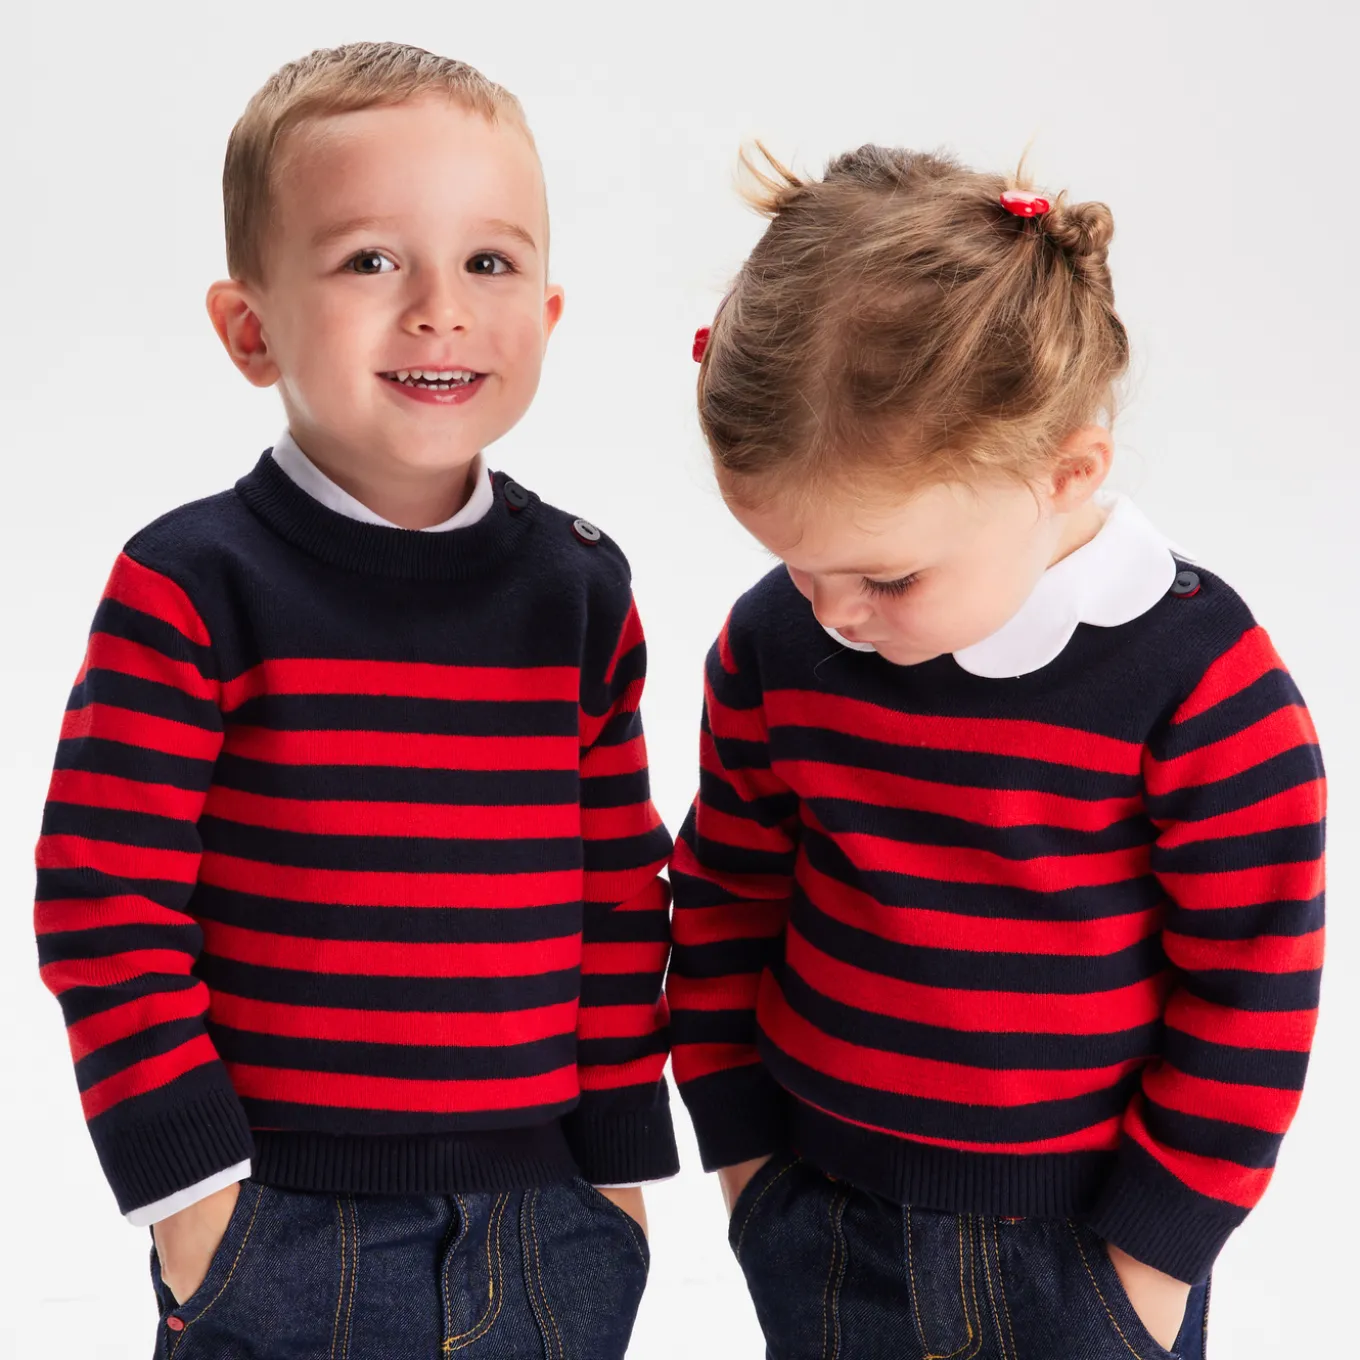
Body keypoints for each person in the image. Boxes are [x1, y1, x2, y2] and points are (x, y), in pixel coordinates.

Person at [34, 41, 675, 1358]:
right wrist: (195, 1204)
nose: (440, 309)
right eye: (372, 260)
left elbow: (619, 900)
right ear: (250, 329)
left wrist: (617, 1175)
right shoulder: (192, 585)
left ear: (549, 313)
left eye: (488, 262)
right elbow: (105, 897)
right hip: (279, 1223)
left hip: (545, 1226)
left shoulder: (580, 590)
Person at [667, 143, 1325, 1359]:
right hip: (822, 1221)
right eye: (796, 564)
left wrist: (1149, 1261)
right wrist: (744, 1161)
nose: (833, 614)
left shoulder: (1197, 681)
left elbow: (1251, 983)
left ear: (1063, 473)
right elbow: (725, 896)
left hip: (1079, 1252)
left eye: (886, 577)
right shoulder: (774, 644)